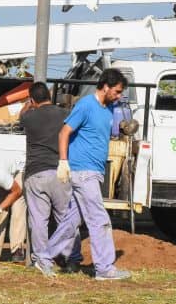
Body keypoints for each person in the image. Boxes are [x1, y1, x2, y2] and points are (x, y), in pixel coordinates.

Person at [33, 68, 132, 281]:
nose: (119, 95)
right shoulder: (86, 105)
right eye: (116, 91)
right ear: (105, 86)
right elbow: (64, 132)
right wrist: (63, 162)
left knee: (71, 221)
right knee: (99, 219)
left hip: (95, 171)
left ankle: (44, 258)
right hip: (83, 171)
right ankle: (105, 268)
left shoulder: (108, 108)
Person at [18, 82, 82, 272]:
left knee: (39, 220)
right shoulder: (64, 114)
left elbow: (20, 116)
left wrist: (27, 105)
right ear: (49, 96)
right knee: (65, 217)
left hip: (36, 173)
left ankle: (43, 262)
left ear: (32, 99)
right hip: (61, 172)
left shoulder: (28, 116)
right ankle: (72, 258)